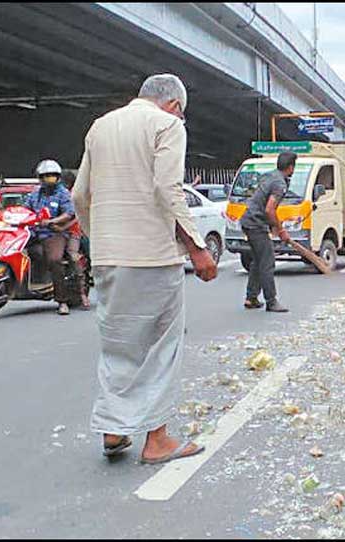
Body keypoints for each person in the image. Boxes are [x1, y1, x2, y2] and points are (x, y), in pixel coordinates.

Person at [73, 73, 217, 464]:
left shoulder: (100, 127)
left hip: (108, 256)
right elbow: (167, 189)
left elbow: (79, 194)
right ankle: (157, 440)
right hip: (152, 257)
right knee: (160, 347)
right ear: (173, 105)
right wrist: (198, 249)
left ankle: (114, 429)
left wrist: (98, 238)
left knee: (118, 346)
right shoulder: (167, 125)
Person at [239, 152, 295, 313]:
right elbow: (270, 209)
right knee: (267, 261)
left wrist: (273, 228)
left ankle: (251, 298)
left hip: (249, 221)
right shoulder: (280, 183)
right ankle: (271, 301)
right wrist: (281, 230)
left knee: (258, 260)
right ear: (291, 167)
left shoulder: (269, 176)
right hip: (256, 224)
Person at [25, 159, 76, 316]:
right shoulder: (34, 194)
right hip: (34, 232)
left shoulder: (63, 193)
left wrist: (52, 221)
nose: (49, 180)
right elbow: (25, 209)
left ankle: (62, 301)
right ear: (40, 178)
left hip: (55, 233)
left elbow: (69, 213)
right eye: (46, 177)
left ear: (58, 178)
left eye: (52, 177)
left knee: (54, 260)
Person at [57, 170, 90, 310]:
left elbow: (77, 216)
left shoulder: (74, 196)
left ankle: (82, 294)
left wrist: (63, 226)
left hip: (72, 232)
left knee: (73, 256)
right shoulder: (51, 194)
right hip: (52, 232)